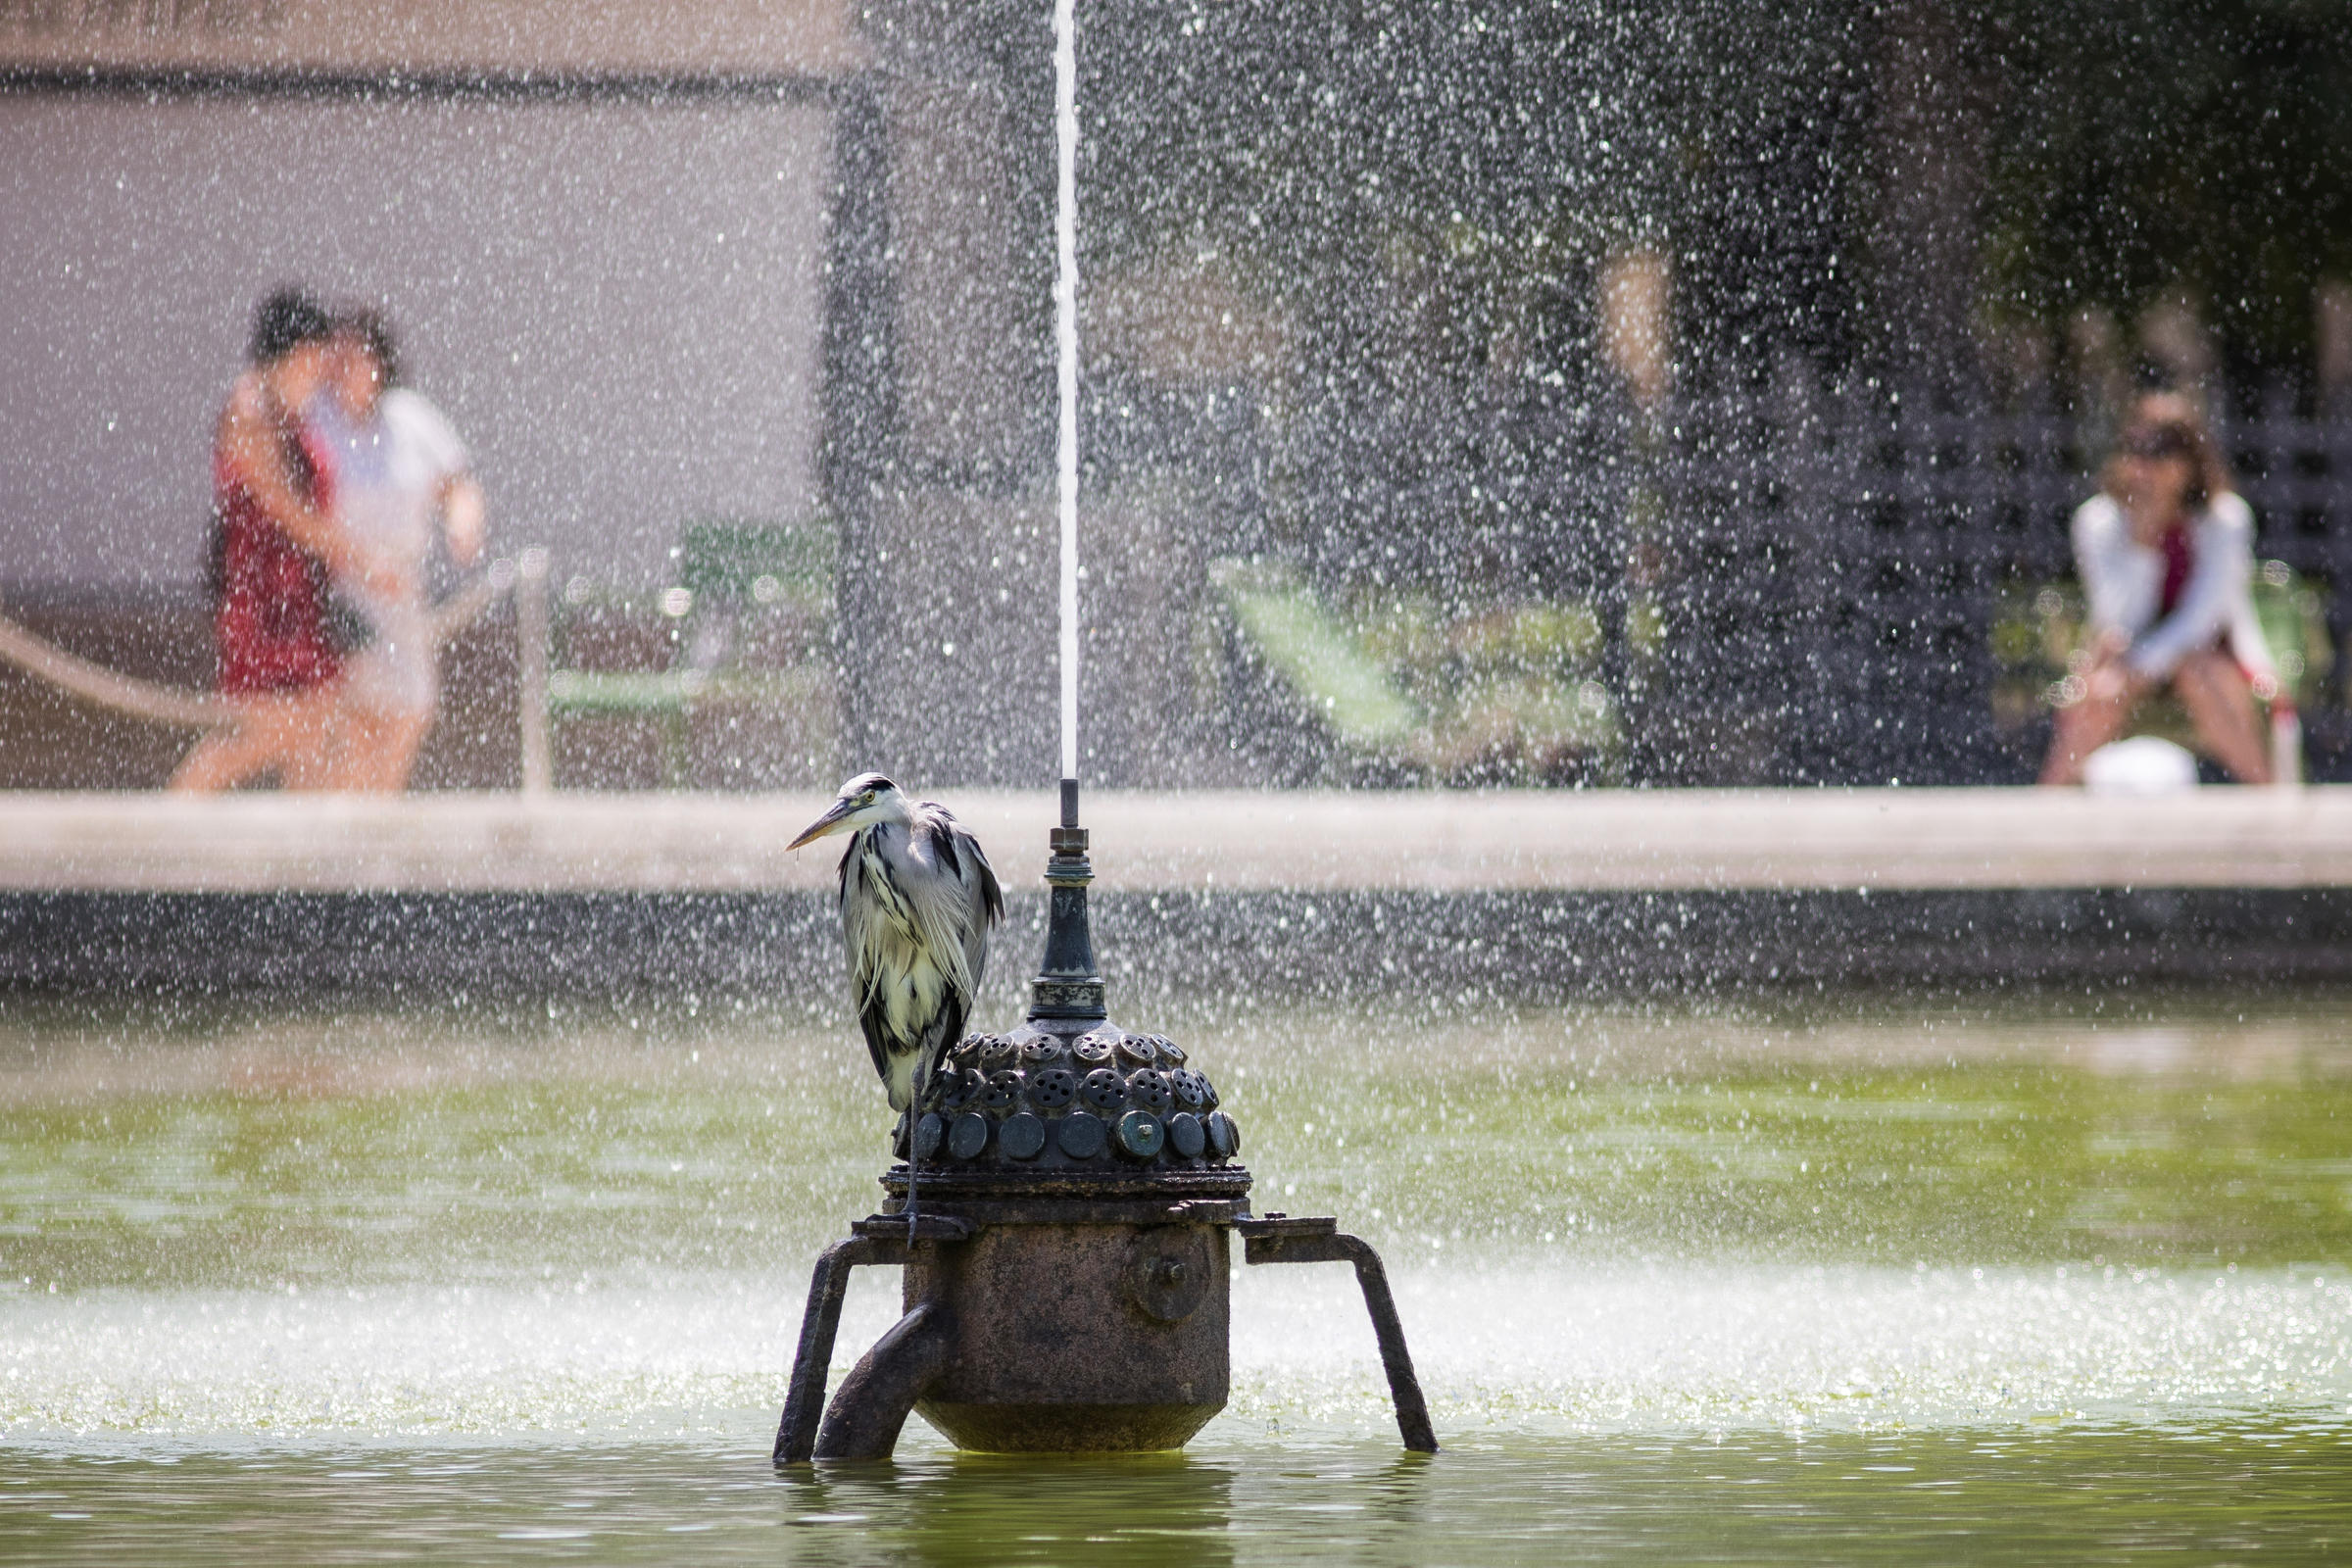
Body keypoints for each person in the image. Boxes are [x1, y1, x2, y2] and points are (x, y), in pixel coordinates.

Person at [170, 287, 378, 793]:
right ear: (297, 349)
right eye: (320, 352)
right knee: (265, 730)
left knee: (322, 725)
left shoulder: (295, 413)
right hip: (259, 595)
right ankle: (171, 824)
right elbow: (282, 507)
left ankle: (298, 858)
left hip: (300, 591)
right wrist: (358, 557)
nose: (326, 366)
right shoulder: (251, 408)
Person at [2040, 393, 2276, 786]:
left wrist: (2139, 669)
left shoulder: (2225, 520)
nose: (2147, 465)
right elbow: (2115, 617)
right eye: (2136, 449)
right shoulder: (2099, 522)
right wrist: (2142, 543)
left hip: (2209, 654)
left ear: (2191, 461)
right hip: (2125, 648)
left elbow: (2202, 620)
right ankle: (2047, 801)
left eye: (2163, 450)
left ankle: (2270, 800)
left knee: (2196, 672)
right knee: (2100, 683)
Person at [306, 307, 485, 791]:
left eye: (356, 358)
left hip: (401, 587)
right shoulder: (314, 419)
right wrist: (355, 561)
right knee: (356, 714)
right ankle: (347, 827)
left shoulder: (408, 417)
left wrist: (462, 527)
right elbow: (300, 508)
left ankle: (377, 814)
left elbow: (458, 481)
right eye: (336, 359)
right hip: (339, 589)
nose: (346, 370)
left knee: (412, 705)